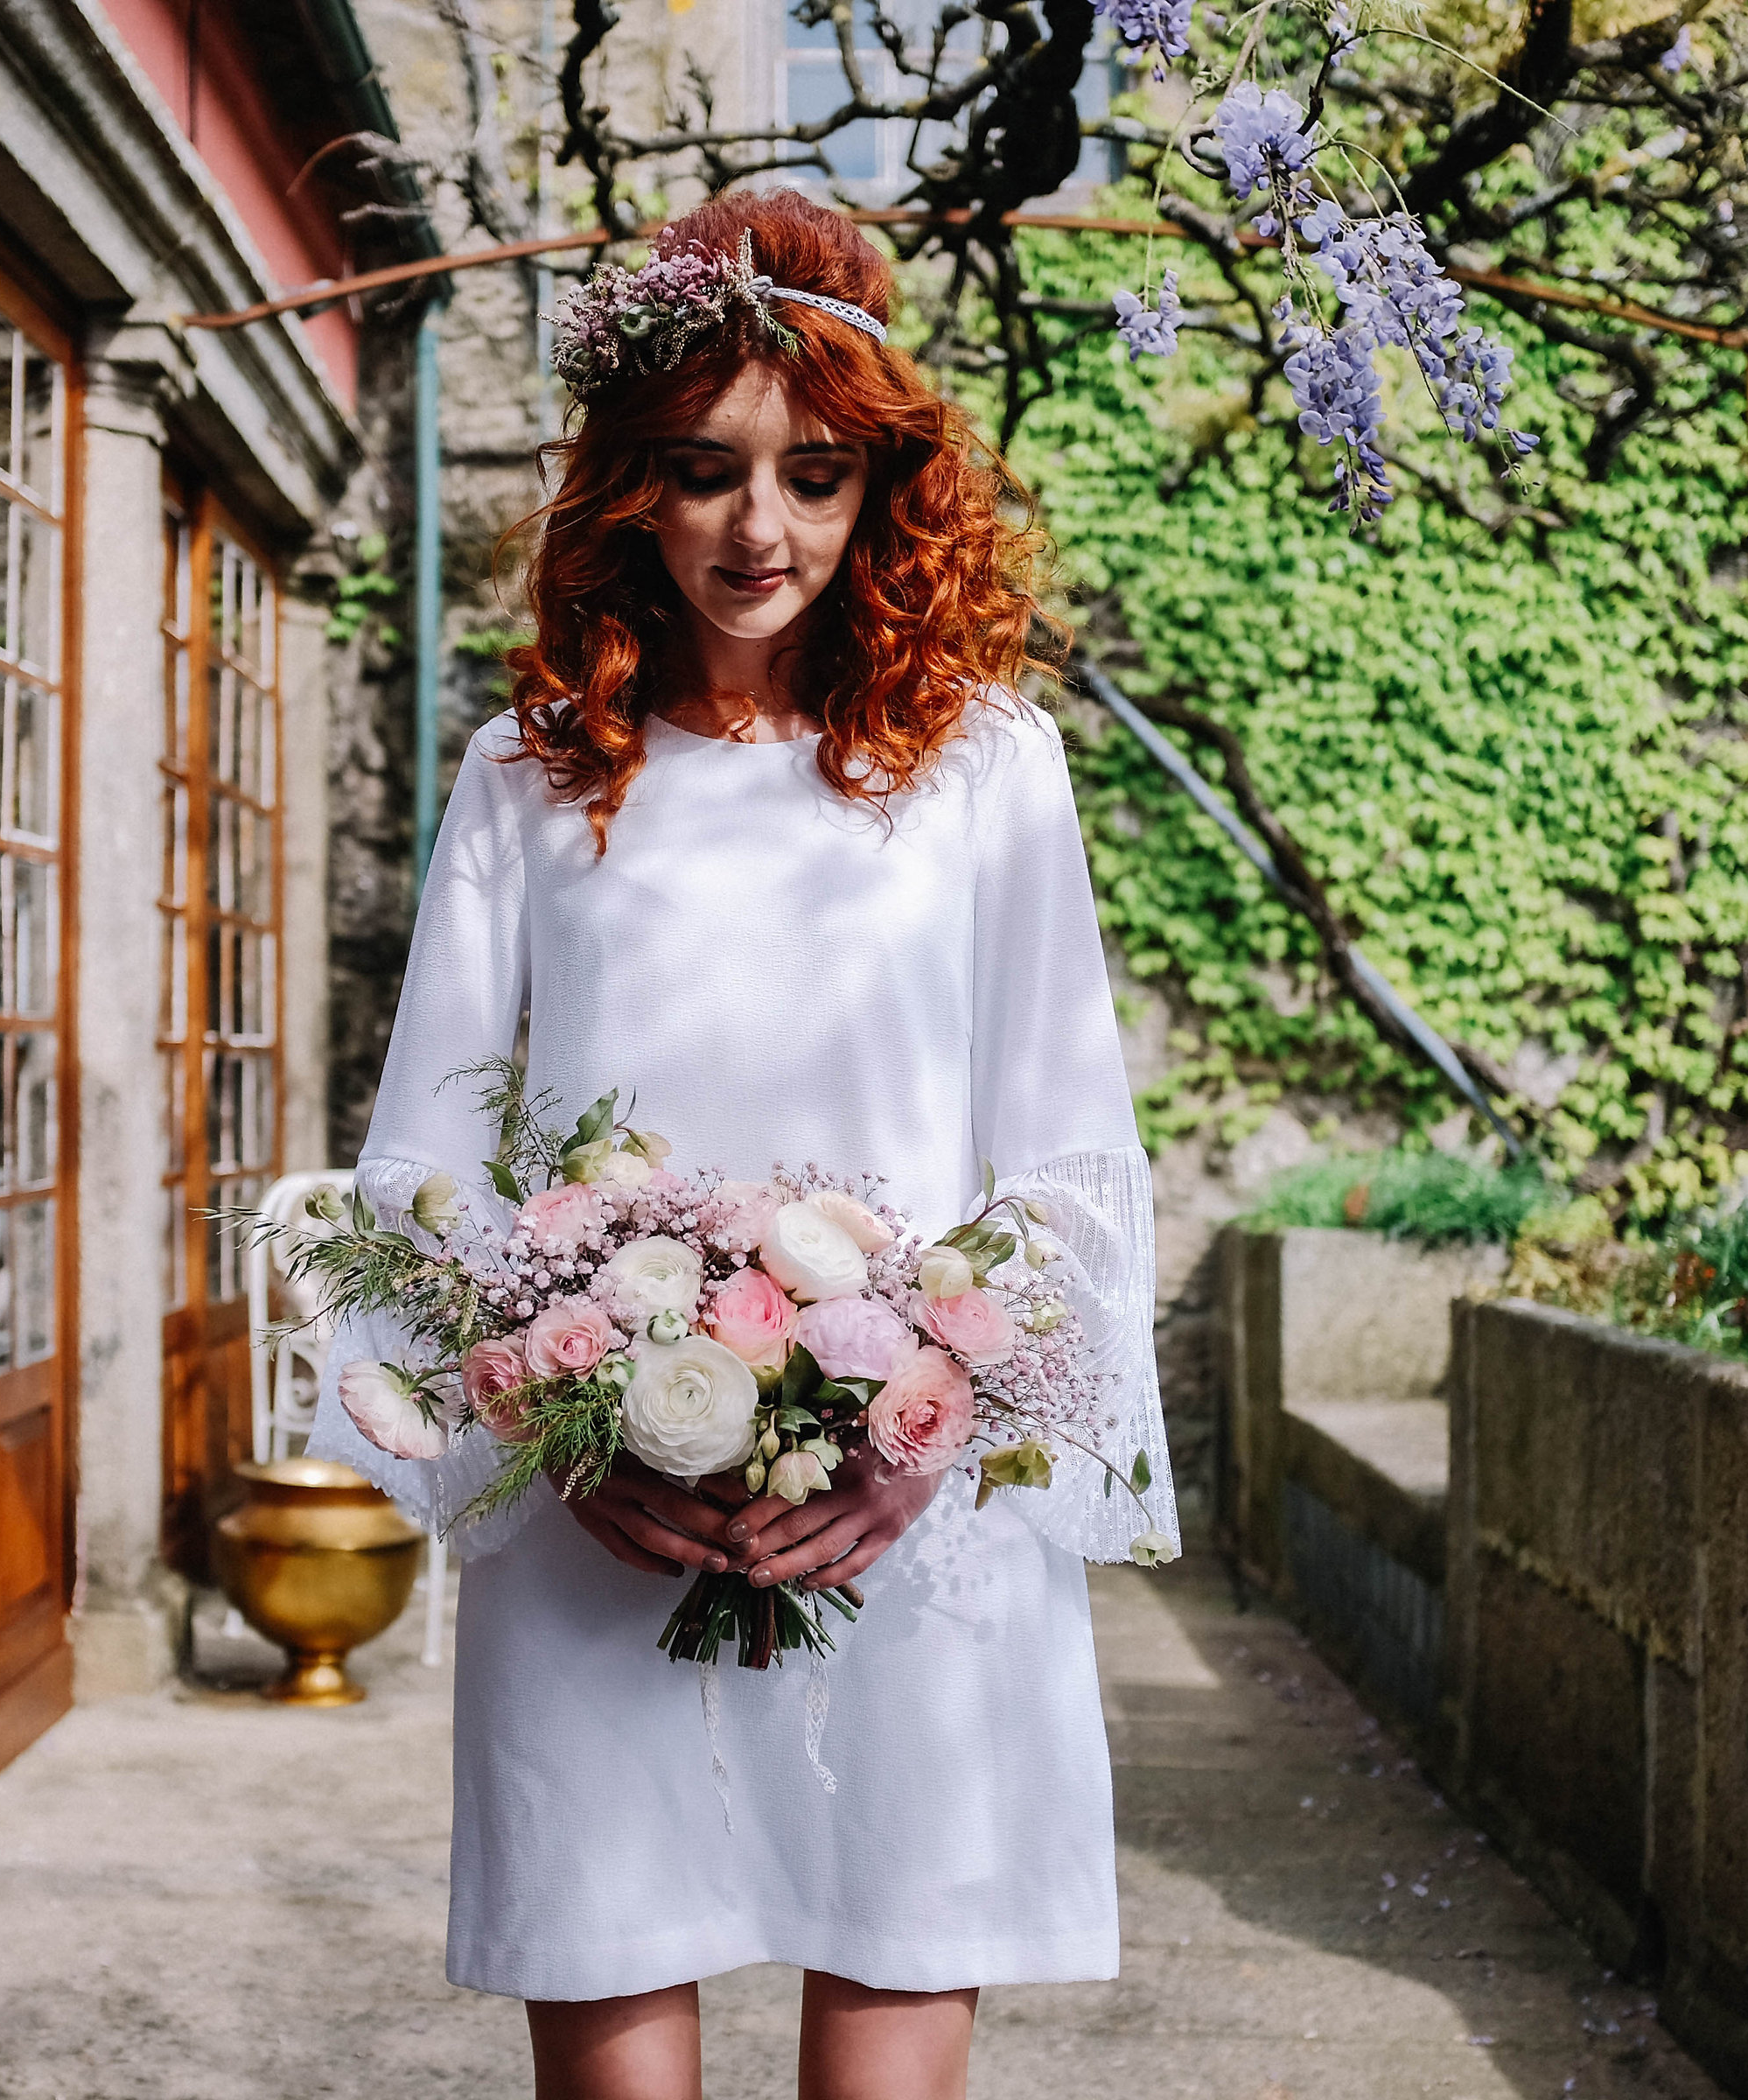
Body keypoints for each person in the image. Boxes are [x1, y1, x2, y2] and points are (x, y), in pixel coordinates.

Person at [304, 185, 1176, 2100]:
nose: (757, 529)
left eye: (814, 475)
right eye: (704, 472)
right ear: (635, 483)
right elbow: (429, 1159)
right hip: (601, 1501)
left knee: (893, 1963)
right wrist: (557, 1447)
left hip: (903, 1512)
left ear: (883, 488)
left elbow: (1060, 1152)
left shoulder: (985, 772)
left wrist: (919, 1446)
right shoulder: (533, 774)